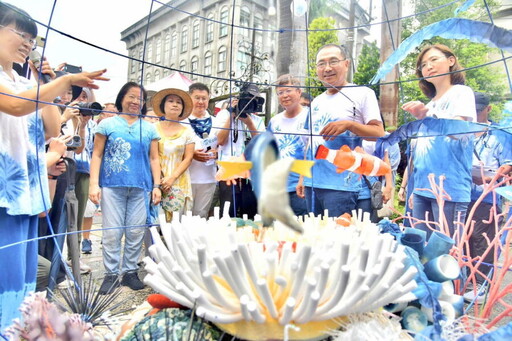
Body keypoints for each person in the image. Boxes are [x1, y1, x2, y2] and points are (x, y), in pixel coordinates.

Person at [0, 2, 107, 330]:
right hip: (5, 194)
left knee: (21, 279)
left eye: (32, 40)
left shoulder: (20, 82)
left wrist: (44, 77)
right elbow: (17, 107)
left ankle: (14, 330)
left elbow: (49, 126)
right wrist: (64, 82)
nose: (28, 44)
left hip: (23, 196)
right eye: (21, 34)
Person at [89, 82, 161, 295]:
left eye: (140, 98)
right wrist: (94, 183)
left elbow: (154, 158)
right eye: (131, 96)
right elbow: (97, 154)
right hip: (112, 185)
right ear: (122, 98)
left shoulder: (149, 128)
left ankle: (130, 271)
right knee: (111, 232)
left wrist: (156, 186)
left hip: (142, 187)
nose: (135, 101)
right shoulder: (107, 125)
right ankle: (111, 274)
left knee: (136, 231)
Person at [297, 44, 384, 218]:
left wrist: (349, 125)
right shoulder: (317, 102)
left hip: (341, 185)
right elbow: (309, 143)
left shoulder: (362, 93)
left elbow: (378, 134)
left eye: (333, 61)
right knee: (317, 237)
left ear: (346, 64)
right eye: (321, 64)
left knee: (340, 239)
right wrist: (302, 176)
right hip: (312, 184)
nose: (327, 68)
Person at [402, 44, 476, 239]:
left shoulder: (462, 92)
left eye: (434, 59)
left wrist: (430, 115)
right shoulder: (429, 104)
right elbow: (420, 155)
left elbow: (461, 132)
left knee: (447, 259)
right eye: (423, 65)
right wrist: (413, 189)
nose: (428, 66)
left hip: (449, 189)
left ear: (451, 61)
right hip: (421, 190)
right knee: (422, 253)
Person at [464, 92, 512, 302]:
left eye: (478, 110)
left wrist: (487, 177)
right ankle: (465, 281)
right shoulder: (462, 132)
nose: (474, 114)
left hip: (487, 197)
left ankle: (482, 285)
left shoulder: (500, 135)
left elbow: (508, 164)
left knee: (482, 241)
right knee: (462, 238)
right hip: (460, 194)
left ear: (488, 109)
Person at [216, 92, 265, 219]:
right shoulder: (224, 115)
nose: (247, 105)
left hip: (251, 173)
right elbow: (220, 141)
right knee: (228, 212)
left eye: (251, 101)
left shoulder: (257, 120)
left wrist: (249, 124)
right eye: (245, 101)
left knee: (250, 213)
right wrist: (231, 115)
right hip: (228, 171)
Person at [151, 88, 195, 221]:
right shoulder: (153, 128)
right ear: (163, 105)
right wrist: (158, 182)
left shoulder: (188, 131)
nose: (175, 104)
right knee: (155, 221)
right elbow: (152, 156)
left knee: (176, 224)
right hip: (156, 180)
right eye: (170, 101)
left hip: (179, 181)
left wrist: (172, 178)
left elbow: (188, 158)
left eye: (179, 102)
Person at [267, 74, 308, 216]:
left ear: (299, 91)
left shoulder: (310, 117)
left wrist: (303, 178)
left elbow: (315, 150)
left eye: (288, 91)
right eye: (280, 93)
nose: (284, 95)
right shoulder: (274, 121)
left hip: (302, 187)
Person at [186, 83, 218, 218]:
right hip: (186, 178)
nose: (200, 102)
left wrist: (218, 153)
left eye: (204, 98)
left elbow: (223, 145)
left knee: (201, 215)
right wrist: (191, 154)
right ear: (189, 98)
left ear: (209, 99)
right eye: (197, 98)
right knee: (183, 216)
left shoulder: (217, 122)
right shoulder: (182, 121)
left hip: (208, 177)